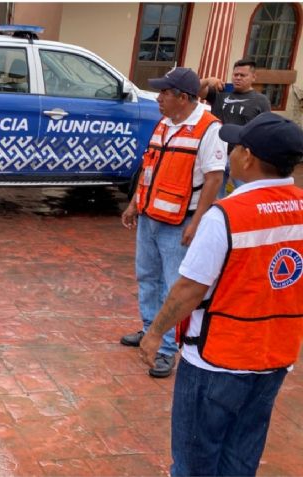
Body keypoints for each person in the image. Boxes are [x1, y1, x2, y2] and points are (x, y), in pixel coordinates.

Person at [139, 112, 303, 476]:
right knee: (241, 457)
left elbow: (189, 290)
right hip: (275, 356)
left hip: (217, 359)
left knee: (195, 461)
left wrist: (154, 333)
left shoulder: (226, 215)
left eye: (235, 146)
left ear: (248, 157)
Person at [120, 67, 227, 378]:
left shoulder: (210, 129)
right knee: (147, 276)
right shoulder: (164, 124)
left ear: (183, 97)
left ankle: (167, 347)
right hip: (150, 216)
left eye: (165, 93)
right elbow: (148, 167)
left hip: (180, 223)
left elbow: (214, 178)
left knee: (171, 285)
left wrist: (198, 223)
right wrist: (134, 204)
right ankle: (148, 327)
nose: (159, 98)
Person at [199, 59, 272, 196]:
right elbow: (195, 89)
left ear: (253, 77)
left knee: (244, 195)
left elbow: (265, 129)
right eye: (235, 74)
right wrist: (208, 80)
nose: (238, 78)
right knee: (214, 197)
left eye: (243, 75)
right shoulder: (221, 92)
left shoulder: (261, 100)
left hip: (242, 156)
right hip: (216, 154)